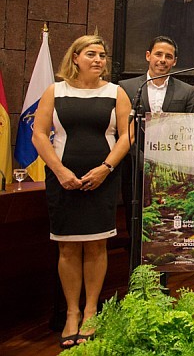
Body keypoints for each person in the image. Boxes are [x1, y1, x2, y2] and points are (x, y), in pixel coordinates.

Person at [32, 35, 132, 349]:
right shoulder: (55, 91)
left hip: (101, 180)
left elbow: (127, 135)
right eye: (91, 54)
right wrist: (60, 172)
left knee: (97, 246)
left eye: (102, 55)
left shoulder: (116, 92)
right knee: (68, 248)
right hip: (63, 180)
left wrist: (106, 168)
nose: (99, 60)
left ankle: (91, 311)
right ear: (75, 57)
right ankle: (71, 313)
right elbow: (38, 134)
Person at [119, 36, 194, 254]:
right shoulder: (126, 88)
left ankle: (162, 283)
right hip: (135, 170)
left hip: (172, 175)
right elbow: (121, 130)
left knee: (166, 230)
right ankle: (136, 281)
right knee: (135, 227)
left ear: (175, 61)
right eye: (158, 54)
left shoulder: (186, 91)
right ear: (148, 56)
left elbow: (192, 131)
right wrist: (144, 160)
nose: (162, 60)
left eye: (168, 56)